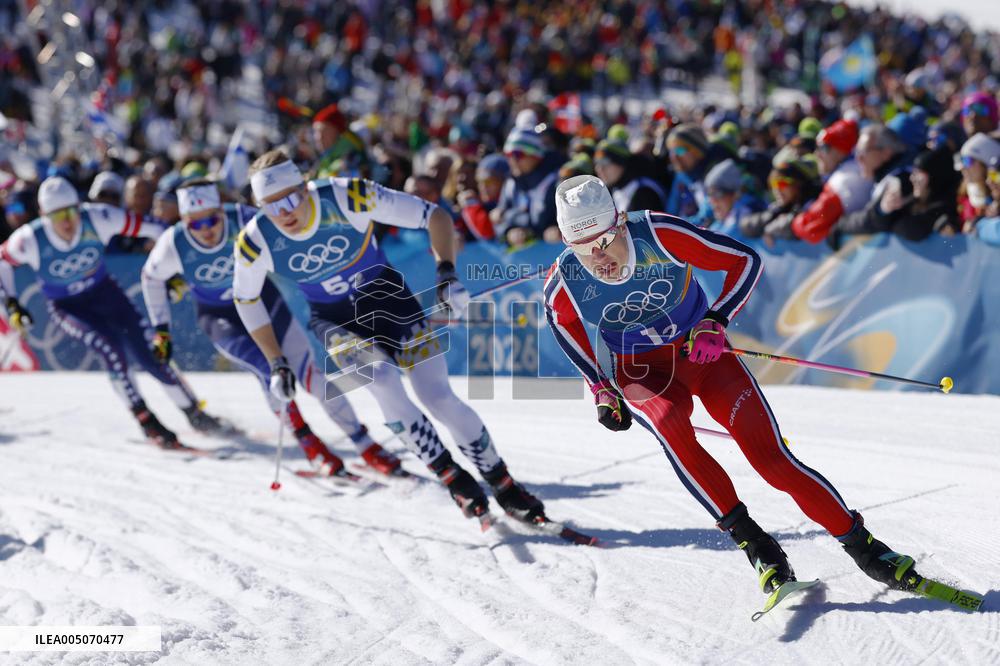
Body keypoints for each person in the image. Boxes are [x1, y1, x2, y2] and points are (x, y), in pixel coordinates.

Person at [544, 174, 933, 600]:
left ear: (620, 224)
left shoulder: (660, 233)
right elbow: (561, 320)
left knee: (772, 461)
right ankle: (758, 546)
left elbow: (744, 261)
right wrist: (600, 386)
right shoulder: (567, 277)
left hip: (702, 357)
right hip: (640, 371)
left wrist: (716, 320)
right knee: (671, 424)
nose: (597, 259)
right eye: (582, 249)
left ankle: (866, 549)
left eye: (602, 243)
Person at [232, 150, 545, 523]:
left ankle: (503, 483)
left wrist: (447, 274)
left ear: (306, 187)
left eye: (291, 198)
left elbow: (435, 216)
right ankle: (452, 477)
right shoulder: (255, 240)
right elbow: (245, 299)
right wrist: (275, 361)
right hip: (335, 322)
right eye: (270, 207)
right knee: (381, 380)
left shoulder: (348, 196)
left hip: (391, 301)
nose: (284, 213)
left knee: (437, 396)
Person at [140, 178, 400, 476]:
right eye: (196, 225)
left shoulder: (244, 219)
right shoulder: (174, 243)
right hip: (224, 319)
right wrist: (161, 328)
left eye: (212, 219)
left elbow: (294, 230)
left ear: (222, 212)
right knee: (270, 372)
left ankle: (365, 443)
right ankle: (310, 445)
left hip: (265, 305)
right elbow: (150, 278)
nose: (207, 230)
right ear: (184, 221)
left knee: (312, 376)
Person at [0, 177, 225, 448]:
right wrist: (12, 303)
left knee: (152, 354)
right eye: (57, 216)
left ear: (79, 208)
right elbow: (3, 262)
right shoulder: (30, 239)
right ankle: (146, 420)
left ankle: (194, 413)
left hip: (106, 294)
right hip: (69, 308)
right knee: (111, 350)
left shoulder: (98, 218)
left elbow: (160, 231)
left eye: (71, 212)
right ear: (44, 216)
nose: (67, 222)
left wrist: (170, 272)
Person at [791, 118, 872, 243]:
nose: (817, 154)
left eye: (823, 148)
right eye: (816, 148)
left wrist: (794, 221)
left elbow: (811, 228)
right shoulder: (863, 166)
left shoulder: (842, 181)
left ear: (841, 150)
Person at [494, 126, 563, 249]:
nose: (513, 160)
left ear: (535, 155)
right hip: (525, 260)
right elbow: (500, 218)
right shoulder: (511, 183)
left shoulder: (557, 181)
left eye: (518, 154)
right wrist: (508, 232)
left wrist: (556, 231)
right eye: (508, 154)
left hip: (553, 254)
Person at [740, 157, 822, 242]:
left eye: (782, 183)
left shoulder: (814, 201)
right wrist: (771, 216)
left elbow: (808, 222)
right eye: (773, 184)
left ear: (799, 183)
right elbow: (747, 226)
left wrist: (771, 229)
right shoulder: (781, 206)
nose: (777, 189)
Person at [312, 103, 371, 179]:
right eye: (315, 132)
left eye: (323, 131)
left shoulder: (351, 158)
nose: (318, 137)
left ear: (337, 132)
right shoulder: (327, 158)